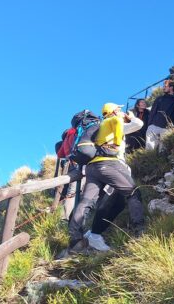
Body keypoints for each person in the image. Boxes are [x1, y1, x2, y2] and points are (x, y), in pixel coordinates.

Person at [67, 103, 145, 253]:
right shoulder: (113, 122)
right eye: (119, 109)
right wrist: (129, 117)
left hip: (92, 168)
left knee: (87, 201)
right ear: (113, 112)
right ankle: (140, 232)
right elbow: (138, 124)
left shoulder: (98, 128)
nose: (121, 111)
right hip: (111, 165)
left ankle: (76, 240)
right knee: (133, 192)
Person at [146, 80, 174, 151]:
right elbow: (152, 112)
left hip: (167, 128)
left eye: (165, 86)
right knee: (149, 149)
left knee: (163, 151)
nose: (163, 88)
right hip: (154, 126)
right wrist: (150, 125)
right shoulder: (159, 98)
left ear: (171, 87)